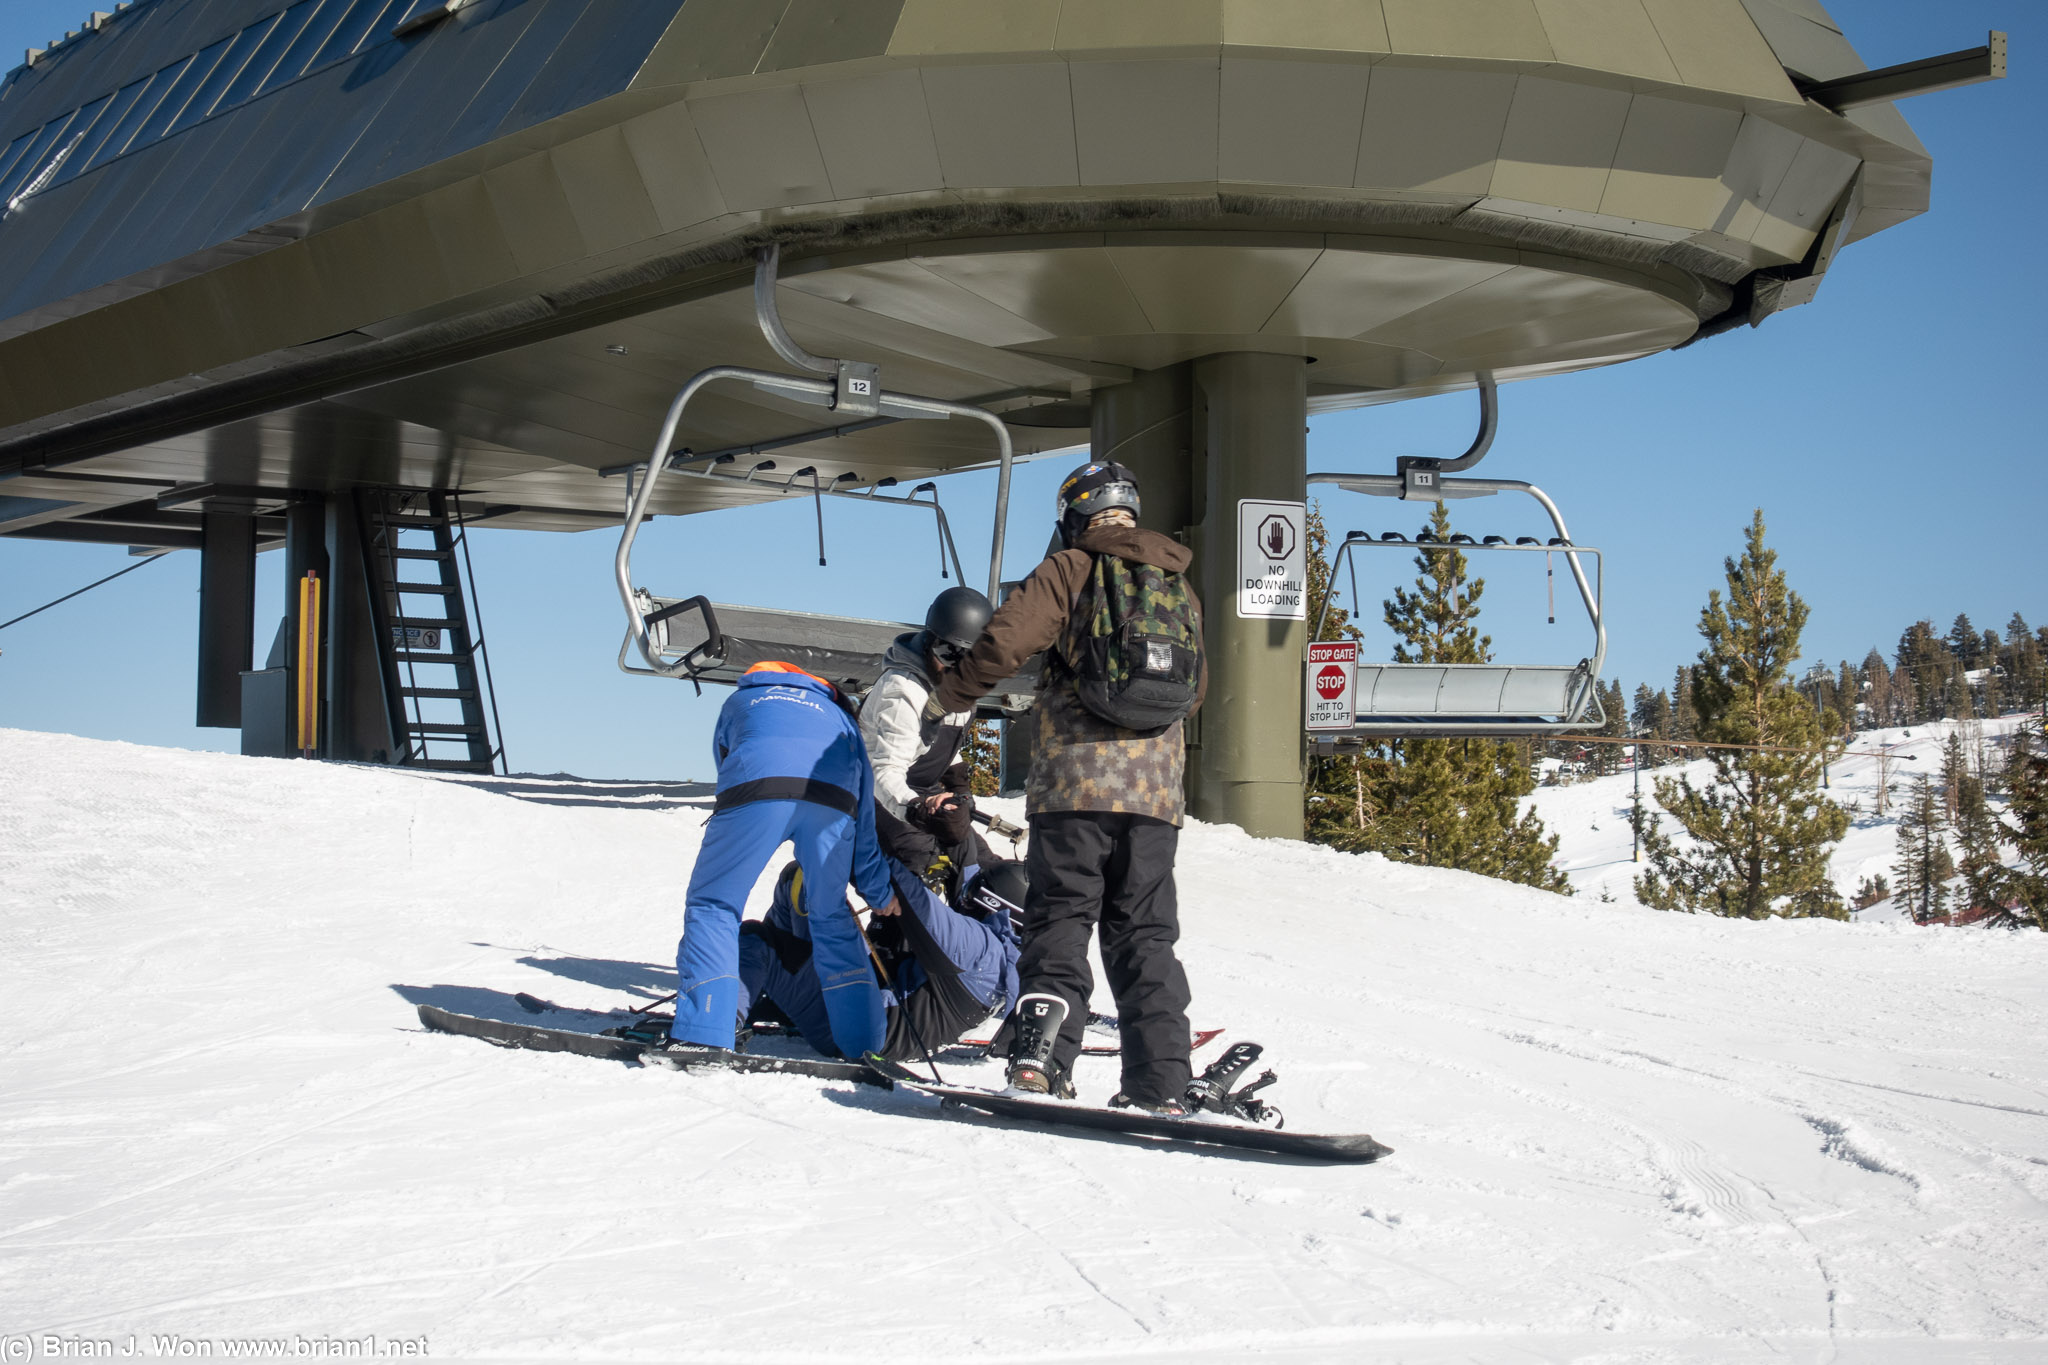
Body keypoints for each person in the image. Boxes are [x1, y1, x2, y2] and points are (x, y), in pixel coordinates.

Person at [924, 460, 1206, 1114]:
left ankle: (1041, 1063)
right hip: (1155, 798)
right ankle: (1162, 1083)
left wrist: (947, 698)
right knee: (1146, 935)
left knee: (1060, 919)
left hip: (1074, 787)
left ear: (1074, 517)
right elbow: (1197, 692)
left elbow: (1002, 644)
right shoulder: (1177, 587)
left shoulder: (1071, 568)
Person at [669, 660, 900, 1056]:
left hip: (756, 792)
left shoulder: (742, 700)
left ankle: (705, 1031)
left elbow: (727, 765)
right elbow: (864, 817)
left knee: (714, 904)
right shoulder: (842, 719)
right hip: (833, 805)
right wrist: (879, 894)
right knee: (829, 915)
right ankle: (863, 1044)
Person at [740, 856, 1026, 1060]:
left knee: (756, 940)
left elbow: (918, 903)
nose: (960, 903)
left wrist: (849, 849)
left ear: (991, 905)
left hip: (856, 1024)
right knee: (797, 878)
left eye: (968, 896)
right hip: (870, 1008)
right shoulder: (1002, 962)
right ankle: (771, 996)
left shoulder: (983, 950)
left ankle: (720, 1020)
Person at [859, 586, 997, 881]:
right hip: (873, 794)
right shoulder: (904, 691)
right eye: (949, 654)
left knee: (980, 865)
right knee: (922, 861)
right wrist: (916, 809)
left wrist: (960, 789)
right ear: (929, 643)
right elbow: (885, 771)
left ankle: (973, 922)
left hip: (921, 790)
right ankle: (893, 925)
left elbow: (937, 744)